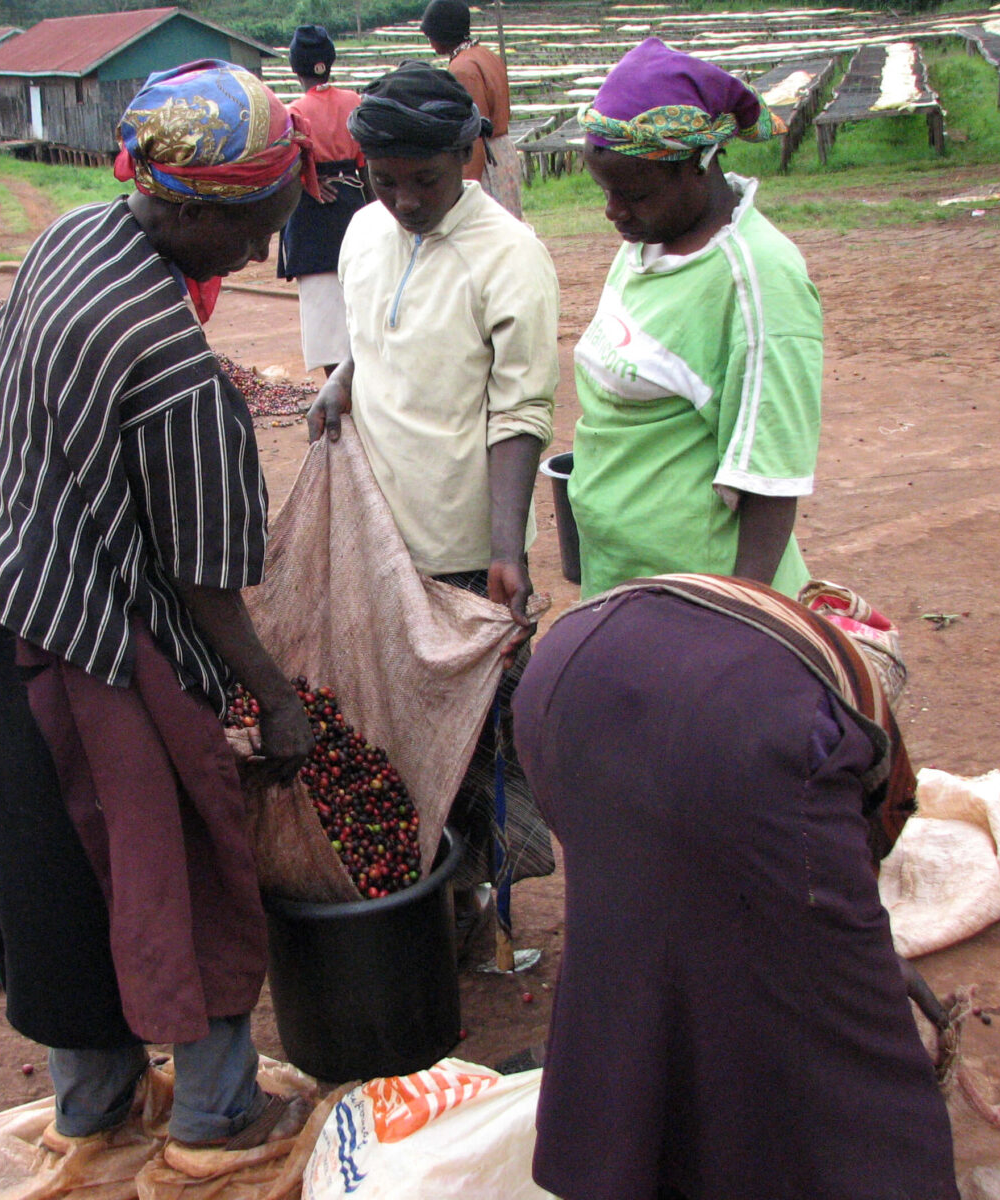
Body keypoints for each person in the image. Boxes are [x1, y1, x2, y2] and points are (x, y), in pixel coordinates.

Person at [0, 61, 318, 1156]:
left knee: (47, 869)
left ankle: (91, 1111)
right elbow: (204, 587)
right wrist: (273, 700)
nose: (255, 257)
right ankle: (214, 1117)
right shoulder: (177, 375)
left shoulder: (70, 238)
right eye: (250, 232)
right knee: (181, 860)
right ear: (188, 204)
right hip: (72, 639)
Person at [512, 573, 959, 1200]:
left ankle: (620, 1164)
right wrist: (871, 979)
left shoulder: (773, 637)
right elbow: (832, 920)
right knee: (856, 1055)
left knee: (630, 960)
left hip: (561, 678)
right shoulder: (844, 733)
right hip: (724, 734)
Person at [307, 61, 560, 937]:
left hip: (463, 539)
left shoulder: (510, 255)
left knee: (475, 731)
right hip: (377, 532)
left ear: (468, 154)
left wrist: (505, 549)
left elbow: (521, 408)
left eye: (427, 179)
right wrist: (343, 378)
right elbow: (375, 336)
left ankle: (481, 893)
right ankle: (426, 881)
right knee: (392, 724)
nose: (406, 200)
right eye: (386, 181)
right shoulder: (365, 234)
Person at [568, 38, 819, 598]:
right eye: (605, 191)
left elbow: (769, 473)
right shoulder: (647, 242)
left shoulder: (756, 280)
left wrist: (739, 618)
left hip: (700, 597)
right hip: (622, 579)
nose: (613, 211)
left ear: (697, 166)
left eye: (630, 193)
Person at [276, 25, 369, 377]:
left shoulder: (292, 114)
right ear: (329, 62)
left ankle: (337, 389)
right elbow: (367, 168)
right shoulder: (355, 102)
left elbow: (285, 169)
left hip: (313, 216)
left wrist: (307, 184)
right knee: (358, 302)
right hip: (352, 206)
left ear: (295, 68)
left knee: (325, 316)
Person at [420, 0, 523, 218]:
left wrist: (468, 188)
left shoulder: (462, 69)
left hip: (485, 159)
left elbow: (474, 130)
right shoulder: (486, 55)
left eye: (430, 35)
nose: (429, 42)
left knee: (485, 230)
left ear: (442, 32)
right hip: (504, 153)